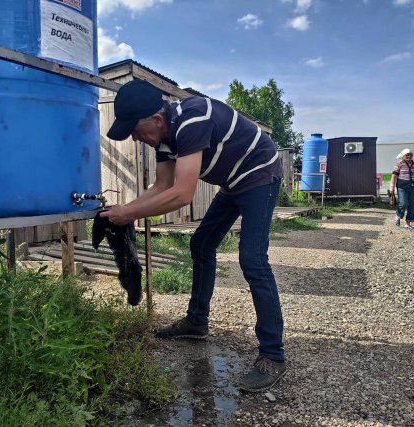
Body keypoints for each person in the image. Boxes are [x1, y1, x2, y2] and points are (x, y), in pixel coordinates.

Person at [101, 79, 285, 393]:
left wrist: (128, 214)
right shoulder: (162, 140)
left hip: (259, 173)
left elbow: (182, 193)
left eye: (134, 130)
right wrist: (125, 209)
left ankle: (272, 355)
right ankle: (197, 322)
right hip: (233, 182)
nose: (134, 137)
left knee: (252, 259)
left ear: (156, 120)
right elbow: (161, 187)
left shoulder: (192, 119)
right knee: (201, 243)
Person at [390, 148, 414, 230]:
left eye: (410, 155)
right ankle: (398, 215)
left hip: (413, 187)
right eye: (407, 155)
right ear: (403, 156)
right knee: (403, 203)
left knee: (412, 205)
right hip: (402, 187)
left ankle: (408, 224)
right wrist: (392, 187)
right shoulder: (399, 164)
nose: (409, 156)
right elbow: (394, 175)